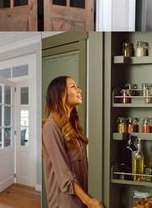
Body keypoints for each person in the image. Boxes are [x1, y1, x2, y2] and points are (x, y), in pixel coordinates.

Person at [42, 76, 105, 208]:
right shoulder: (51, 126)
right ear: (60, 94)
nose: (79, 90)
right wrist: (89, 202)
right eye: (73, 87)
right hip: (65, 202)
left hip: (79, 200)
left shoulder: (72, 124)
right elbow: (63, 174)